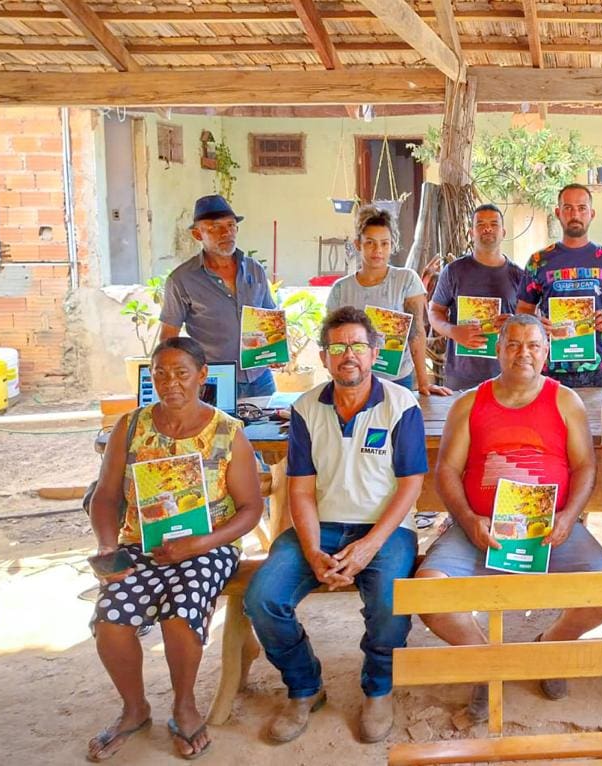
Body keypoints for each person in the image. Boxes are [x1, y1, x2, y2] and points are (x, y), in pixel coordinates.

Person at [416, 314, 602, 721]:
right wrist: (470, 520)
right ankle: (488, 665)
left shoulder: (565, 400)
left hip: (550, 530)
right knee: (429, 593)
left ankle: (549, 647)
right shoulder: (470, 402)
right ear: (497, 349)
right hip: (481, 528)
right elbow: (448, 472)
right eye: (513, 344)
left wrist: (568, 518)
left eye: (533, 345)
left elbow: (584, 468)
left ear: (546, 352)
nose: (523, 353)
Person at [244, 306, 427, 745]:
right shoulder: (306, 408)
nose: (349, 355)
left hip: (385, 530)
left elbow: (410, 487)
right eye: (339, 347)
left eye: (358, 346)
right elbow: (301, 491)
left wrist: (367, 547)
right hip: (321, 527)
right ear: (325, 356)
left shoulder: (402, 405)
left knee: (389, 603)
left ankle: (378, 688)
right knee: (263, 597)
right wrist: (311, 550)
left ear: (374, 354)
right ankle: (305, 686)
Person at [86, 337, 263, 761]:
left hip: (207, 547)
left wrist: (202, 542)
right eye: (160, 374)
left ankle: (184, 706)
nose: (171, 383)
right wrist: (109, 547)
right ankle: (134, 710)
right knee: (111, 618)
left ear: (202, 376)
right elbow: (105, 496)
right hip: (139, 545)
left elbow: (252, 507)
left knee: (181, 613)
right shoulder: (130, 428)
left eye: (182, 373)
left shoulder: (227, 432)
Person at [160, 195, 279, 398]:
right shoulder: (181, 279)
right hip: (214, 379)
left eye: (231, 225)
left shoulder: (254, 269)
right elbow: (169, 336)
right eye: (214, 227)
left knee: (267, 429)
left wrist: (276, 350)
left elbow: (269, 316)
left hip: (260, 377)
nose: (226, 232)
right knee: (217, 430)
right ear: (198, 234)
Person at [326, 204, 451, 396]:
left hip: (398, 378)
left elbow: (416, 332)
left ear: (392, 245)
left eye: (384, 243)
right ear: (358, 244)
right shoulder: (341, 289)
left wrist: (424, 382)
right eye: (370, 242)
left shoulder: (406, 280)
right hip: (353, 379)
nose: (378, 250)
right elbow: (331, 338)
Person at [517, 184, 602, 387]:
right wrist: (537, 322)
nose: (575, 214)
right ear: (558, 213)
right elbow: (522, 311)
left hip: (599, 368)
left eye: (582, 208)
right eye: (568, 208)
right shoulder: (538, 261)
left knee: (598, 420)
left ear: (592, 213)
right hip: (549, 367)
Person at [428, 203, 526, 391]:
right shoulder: (453, 271)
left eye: (493, 224)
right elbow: (434, 311)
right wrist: (453, 331)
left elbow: (529, 322)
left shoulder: (519, 276)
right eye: (480, 224)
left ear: (503, 232)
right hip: (461, 375)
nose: (487, 228)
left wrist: (513, 323)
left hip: (506, 373)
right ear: (471, 232)